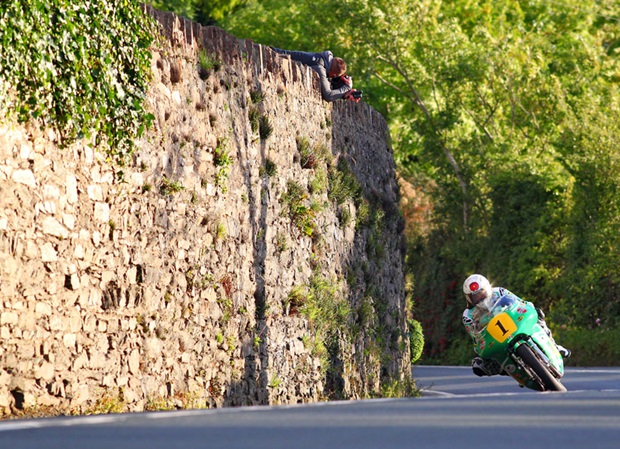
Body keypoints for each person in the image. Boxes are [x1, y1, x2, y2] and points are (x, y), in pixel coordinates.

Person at [462, 274, 571, 377]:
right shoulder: (468, 315)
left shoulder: (499, 292)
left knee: (538, 314)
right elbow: (475, 338)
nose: (480, 298)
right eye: (475, 297)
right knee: (479, 365)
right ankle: (512, 370)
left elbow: (519, 302)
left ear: (488, 288)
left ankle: (554, 345)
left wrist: (528, 307)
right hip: (493, 336)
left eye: (482, 293)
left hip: (513, 322)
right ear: (469, 298)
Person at [270, 47, 362, 103]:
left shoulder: (321, 60)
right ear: (333, 74)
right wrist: (346, 88)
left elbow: (329, 87)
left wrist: (344, 94)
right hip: (271, 56)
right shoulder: (319, 67)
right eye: (333, 77)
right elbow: (328, 95)